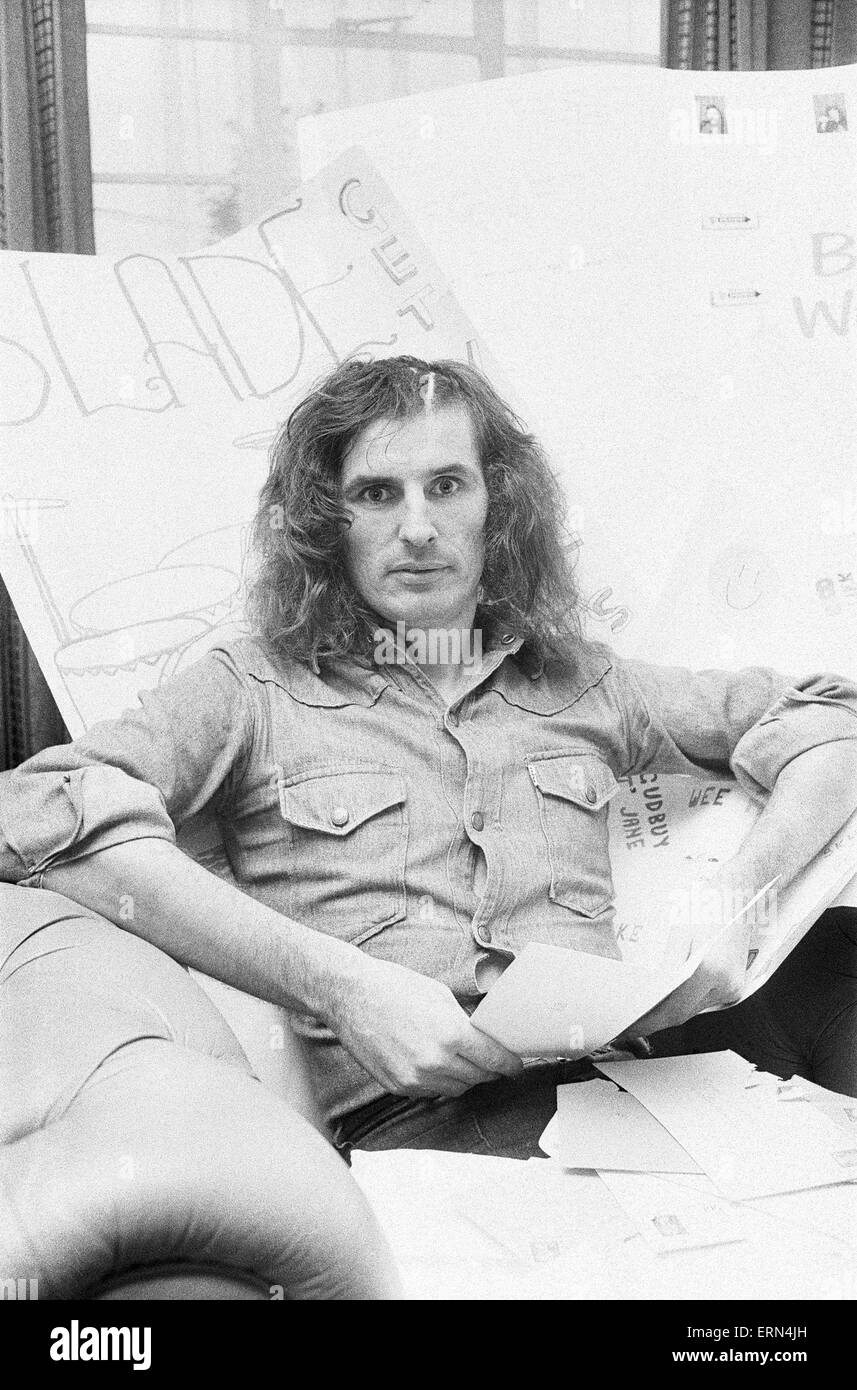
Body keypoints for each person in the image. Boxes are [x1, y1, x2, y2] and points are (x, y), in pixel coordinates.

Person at [2, 356, 856, 1160]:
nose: (417, 528)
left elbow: (831, 723)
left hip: (636, 1093)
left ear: (497, 506)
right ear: (325, 523)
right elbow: (35, 808)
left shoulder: (583, 682)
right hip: (425, 1132)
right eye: (376, 493)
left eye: (446, 485)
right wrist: (337, 985)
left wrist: (739, 899)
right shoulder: (250, 687)